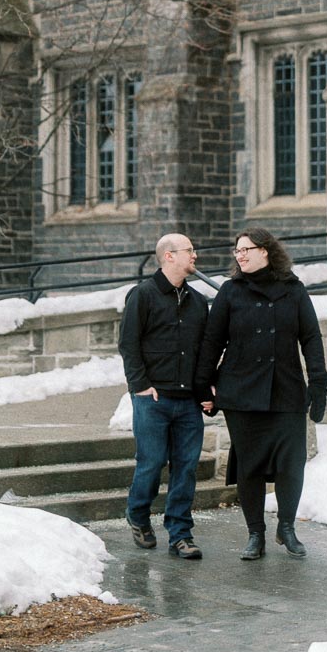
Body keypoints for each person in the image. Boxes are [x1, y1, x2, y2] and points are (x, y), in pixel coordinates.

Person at [195, 226, 327, 561]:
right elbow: (213, 340)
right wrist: (204, 383)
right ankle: (256, 533)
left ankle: (286, 527)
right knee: (250, 466)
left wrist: (318, 383)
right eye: (237, 251)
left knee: (291, 464)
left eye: (246, 250)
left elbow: (310, 337)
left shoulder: (293, 290)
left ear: (266, 250)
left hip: (286, 389)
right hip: (241, 391)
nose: (240, 256)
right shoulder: (230, 291)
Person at [118, 232, 209, 560]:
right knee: (152, 463)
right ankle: (138, 515)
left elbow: (204, 352)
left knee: (186, 467)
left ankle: (180, 534)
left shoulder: (199, 301)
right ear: (169, 256)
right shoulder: (142, 295)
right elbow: (128, 344)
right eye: (189, 250)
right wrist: (140, 385)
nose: (194, 256)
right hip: (152, 399)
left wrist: (205, 390)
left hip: (188, 402)